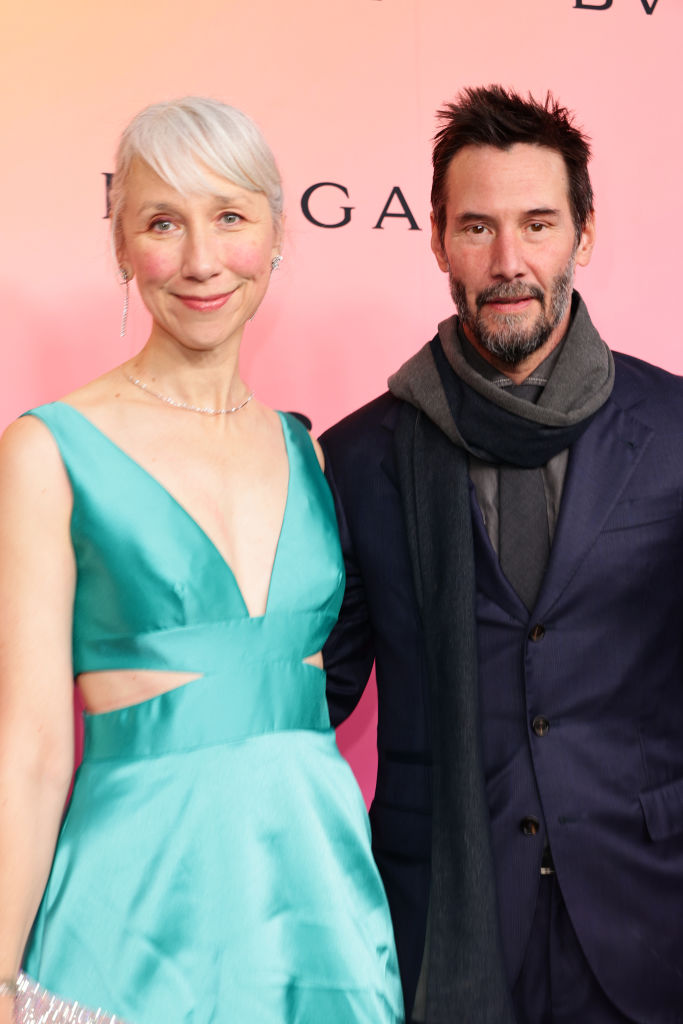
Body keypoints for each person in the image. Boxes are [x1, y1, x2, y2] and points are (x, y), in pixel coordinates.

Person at [0, 97, 404, 1024]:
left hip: (322, 920)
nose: (200, 260)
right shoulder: (48, 450)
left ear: (276, 234)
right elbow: (29, 751)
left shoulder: (309, 453)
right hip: (133, 929)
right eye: (162, 223)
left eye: (229, 216)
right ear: (121, 245)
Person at [320, 85, 683, 1024]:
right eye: (476, 227)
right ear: (437, 241)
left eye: (537, 224)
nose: (508, 261)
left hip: (650, 911)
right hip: (446, 920)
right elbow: (313, 695)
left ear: (584, 234)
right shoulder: (360, 457)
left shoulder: (676, 432)